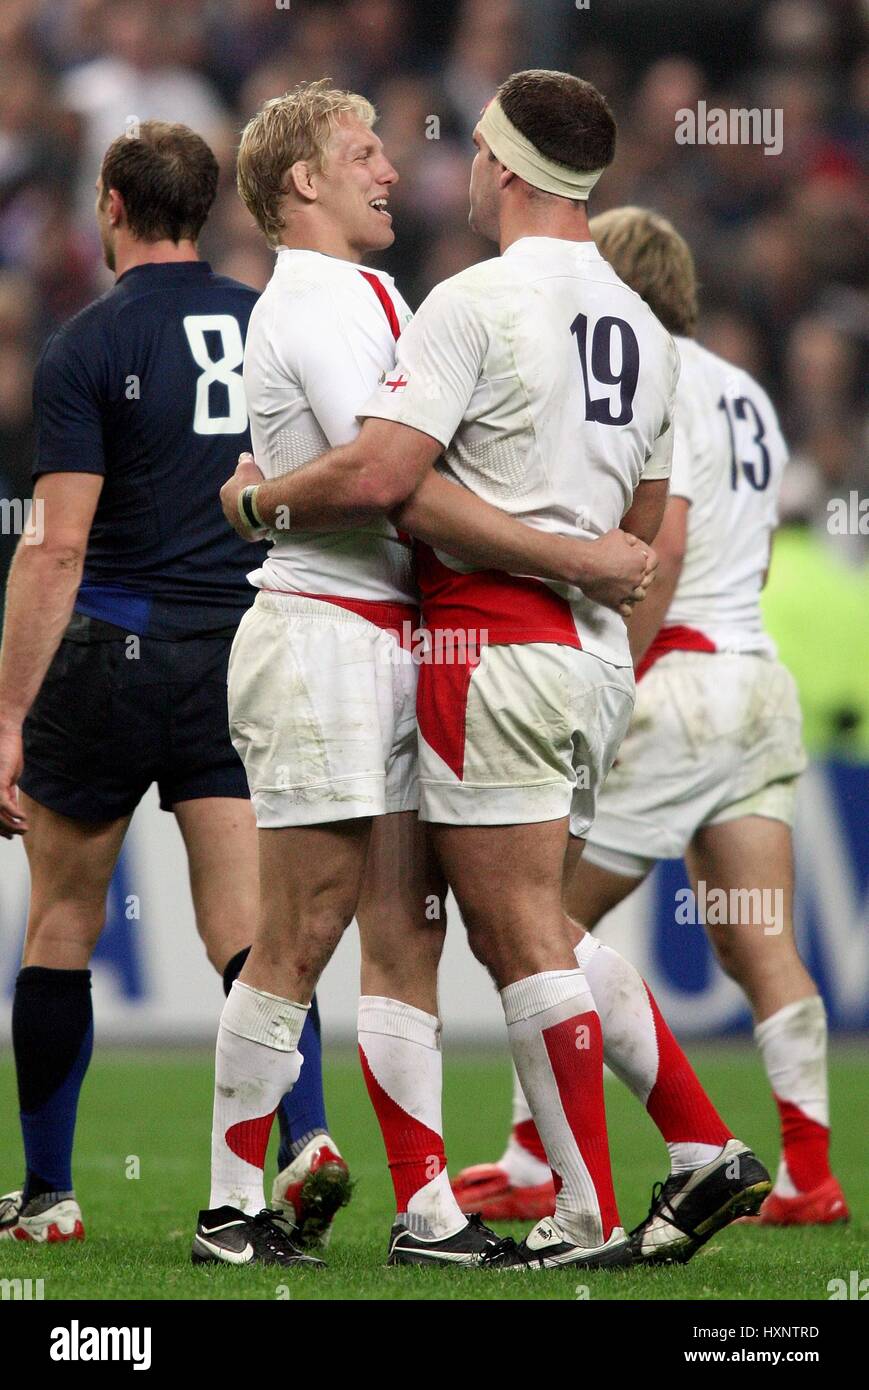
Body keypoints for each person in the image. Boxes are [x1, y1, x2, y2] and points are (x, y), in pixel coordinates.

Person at [221, 70, 771, 1270]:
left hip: (486, 647)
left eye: (470, 149)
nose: (446, 167)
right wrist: (586, 559)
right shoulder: (646, 330)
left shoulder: (466, 303)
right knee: (515, 925)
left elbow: (388, 484)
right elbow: (637, 530)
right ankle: (684, 1147)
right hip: (593, 658)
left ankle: (589, 1202)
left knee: (516, 930)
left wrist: (258, 497)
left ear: (509, 169)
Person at [453, 207, 848, 1243]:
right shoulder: (747, 391)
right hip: (755, 681)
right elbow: (749, 553)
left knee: (535, 924)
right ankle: (808, 1171)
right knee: (757, 936)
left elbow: (657, 548)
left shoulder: (640, 376)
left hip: (670, 679)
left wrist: (616, 673)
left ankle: (537, 1162)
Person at [0, 121, 345, 1255]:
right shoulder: (266, 324)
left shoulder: (86, 343)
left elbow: (56, 547)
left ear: (110, 203)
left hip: (113, 647)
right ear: (206, 208)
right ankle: (301, 1138)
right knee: (248, 930)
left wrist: (7, 711)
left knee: (62, 920)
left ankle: (48, 1195)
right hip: (239, 651)